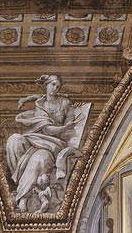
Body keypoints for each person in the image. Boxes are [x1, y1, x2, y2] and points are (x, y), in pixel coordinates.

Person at [5, 76, 90, 213]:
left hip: (54, 144)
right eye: (53, 84)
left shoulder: (65, 103)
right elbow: (45, 128)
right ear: (46, 85)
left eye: (58, 86)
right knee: (14, 140)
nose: (55, 88)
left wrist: (66, 127)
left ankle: (22, 198)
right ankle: (22, 182)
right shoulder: (40, 103)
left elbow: (69, 126)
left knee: (39, 158)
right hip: (37, 138)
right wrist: (63, 127)